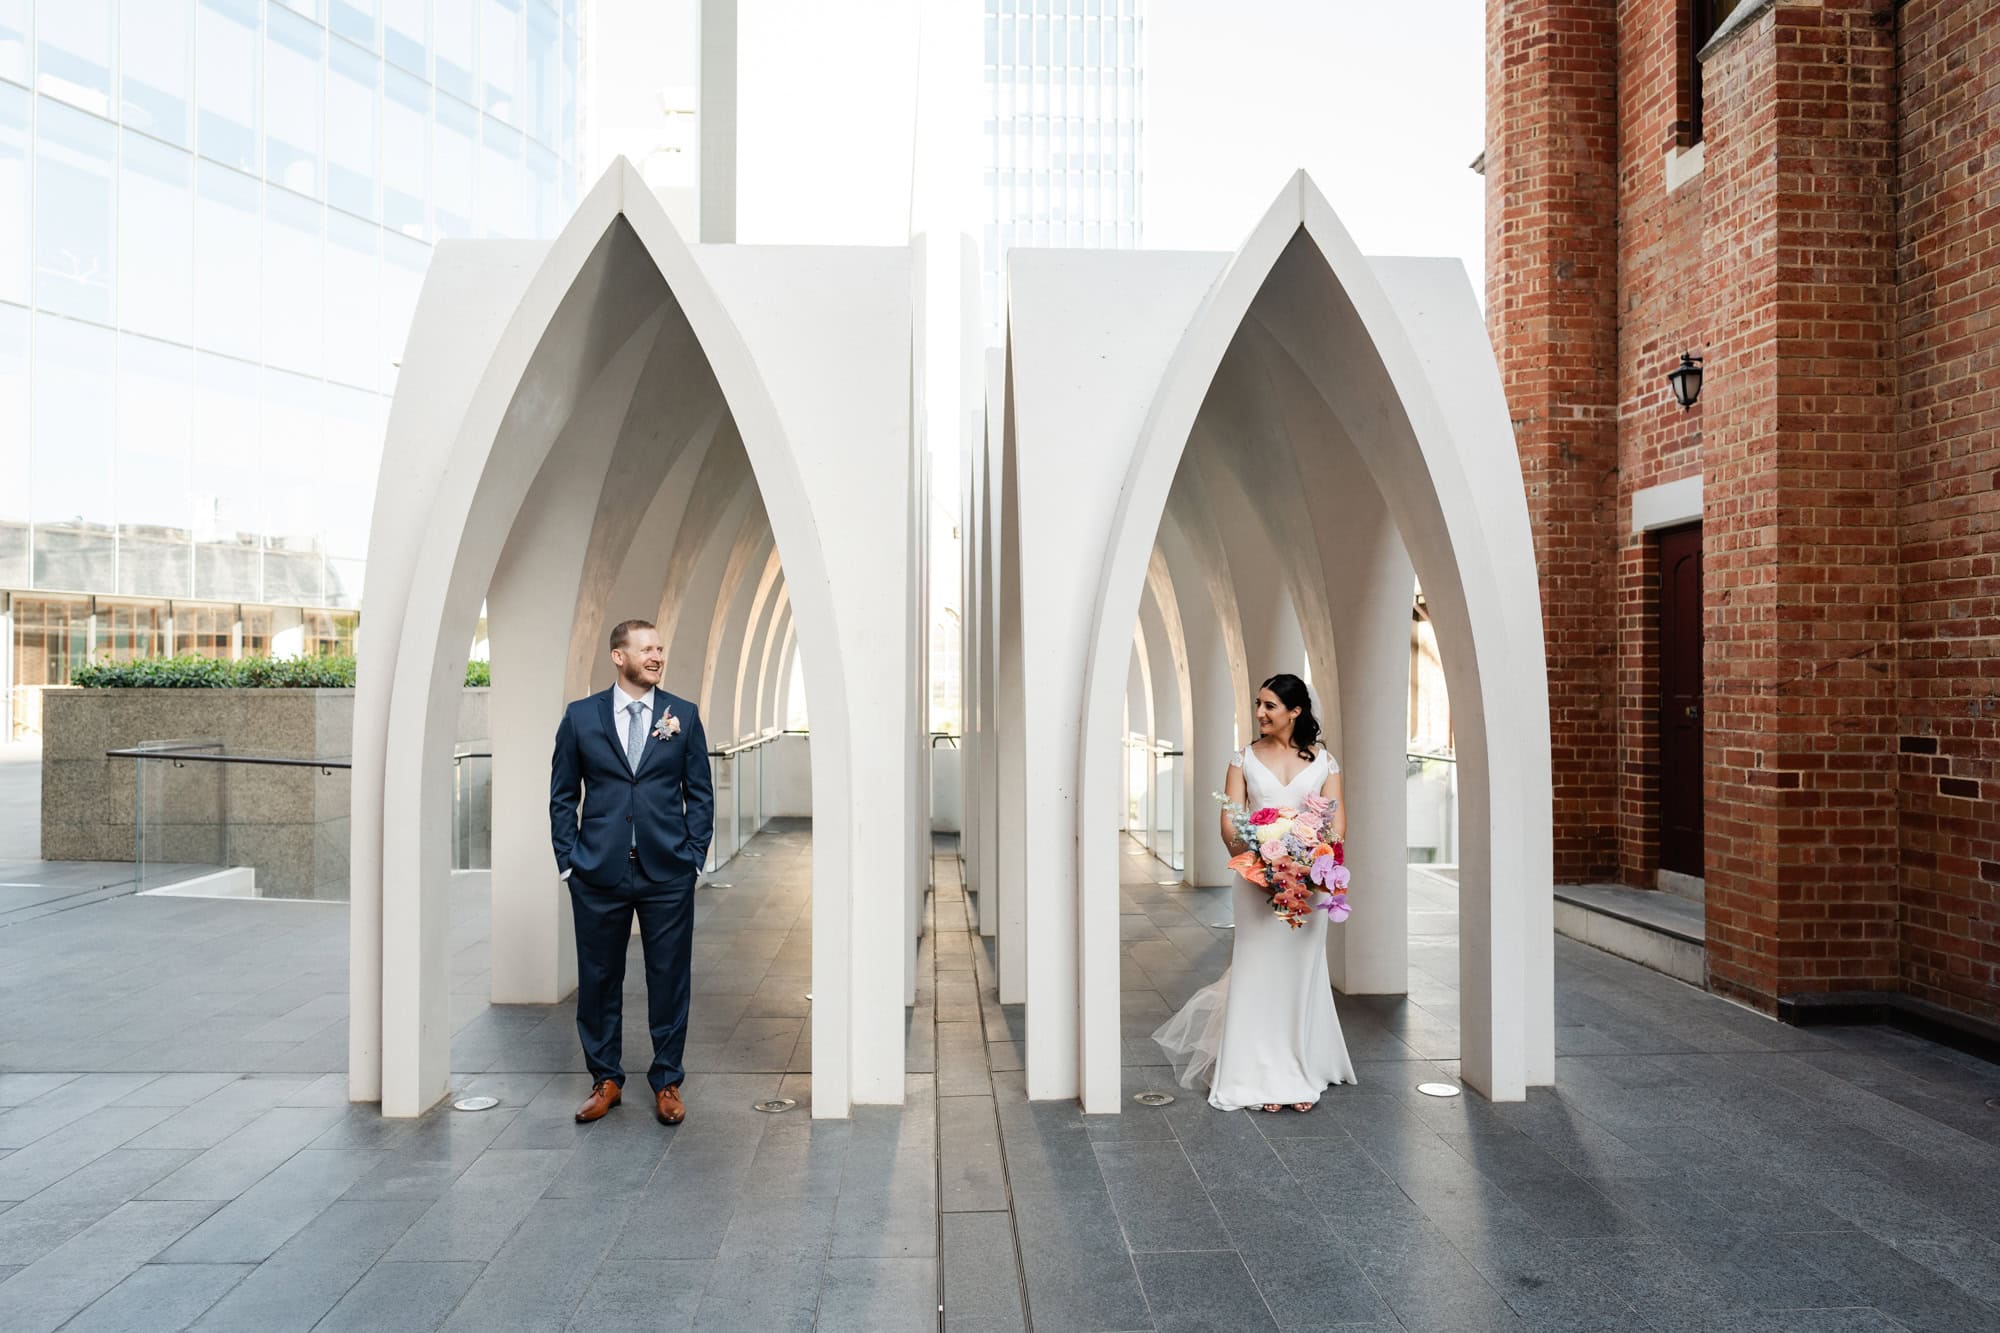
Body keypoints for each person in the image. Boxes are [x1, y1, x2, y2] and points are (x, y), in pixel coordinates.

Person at [1153, 672, 1357, 1112]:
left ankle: (1300, 1066)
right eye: (1258, 705)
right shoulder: (1242, 758)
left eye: (1270, 706)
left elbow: (1336, 825)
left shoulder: (1326, 762)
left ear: (1295, 712)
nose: (1260, 713)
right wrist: (1264, 860)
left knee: (1300, 972)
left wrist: (1304, 861)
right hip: (1255, 881)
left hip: (1310, 886)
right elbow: (1231, 821)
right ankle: (1256, 1072)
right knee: (1258, 969)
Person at [549, 618, 713, 1126]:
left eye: (660, 648)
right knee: (599, 978)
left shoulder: (681, 715)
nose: (657, 655)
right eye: (646, 648)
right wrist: (568, 862)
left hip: (667, 871)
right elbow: (562, 795)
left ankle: (667, 1081)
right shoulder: (580, 717)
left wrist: (692, 856)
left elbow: (700, 793)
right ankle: (606, 1079)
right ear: (619, 656)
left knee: (670, 977)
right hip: (598, 871)